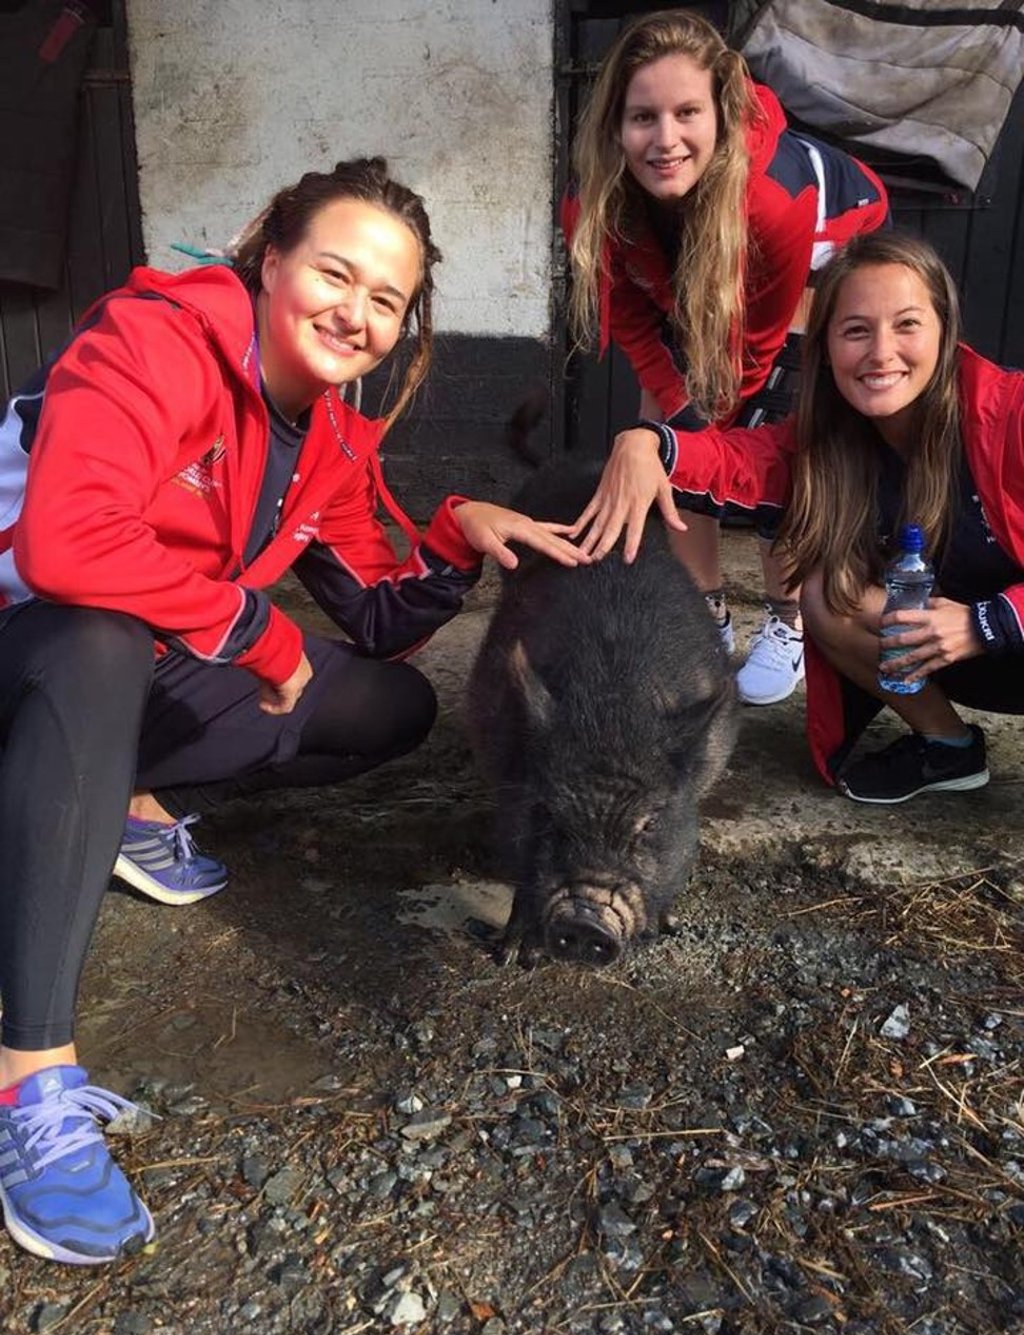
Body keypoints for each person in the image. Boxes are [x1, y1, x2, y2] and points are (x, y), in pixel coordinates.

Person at [0, 156, 589, 1266]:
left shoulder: (323, 433)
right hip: (28, 647)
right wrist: (262, 636)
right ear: (269, 260)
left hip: (114, 678)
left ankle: (120, 801)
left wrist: (460, 533)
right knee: (97, 631)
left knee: (386, 707)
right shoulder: (157, 340)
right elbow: (65, 544)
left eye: (386, 300)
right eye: (335, 272)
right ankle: (29, 1086)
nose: (355, 313)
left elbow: (376, 619)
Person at [574, 229, 1024, 801]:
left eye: (907, 324)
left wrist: (987, 623)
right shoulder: (828, 441)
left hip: (996, 635)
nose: (881, 352)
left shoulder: (1010, 416)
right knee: (826, 592)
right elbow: (734, 464)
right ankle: (948, 748)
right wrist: (649, 444)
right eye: (856, 330)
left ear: (944, 331)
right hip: (948, 650)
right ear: (827, 347)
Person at [563, 8, 889, 705]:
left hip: (816, 252)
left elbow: (761, 345)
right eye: (642, 117)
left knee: (775, 435)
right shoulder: (594, 200)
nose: (665, 138)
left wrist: (717, 434)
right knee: (665, 436)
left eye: (687, 112)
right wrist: (677, 428)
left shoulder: (773, 199)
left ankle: (789, 620)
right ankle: (704, 613)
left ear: (722, 112)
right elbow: (632, 323)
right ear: (614, 125)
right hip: (695, 257)